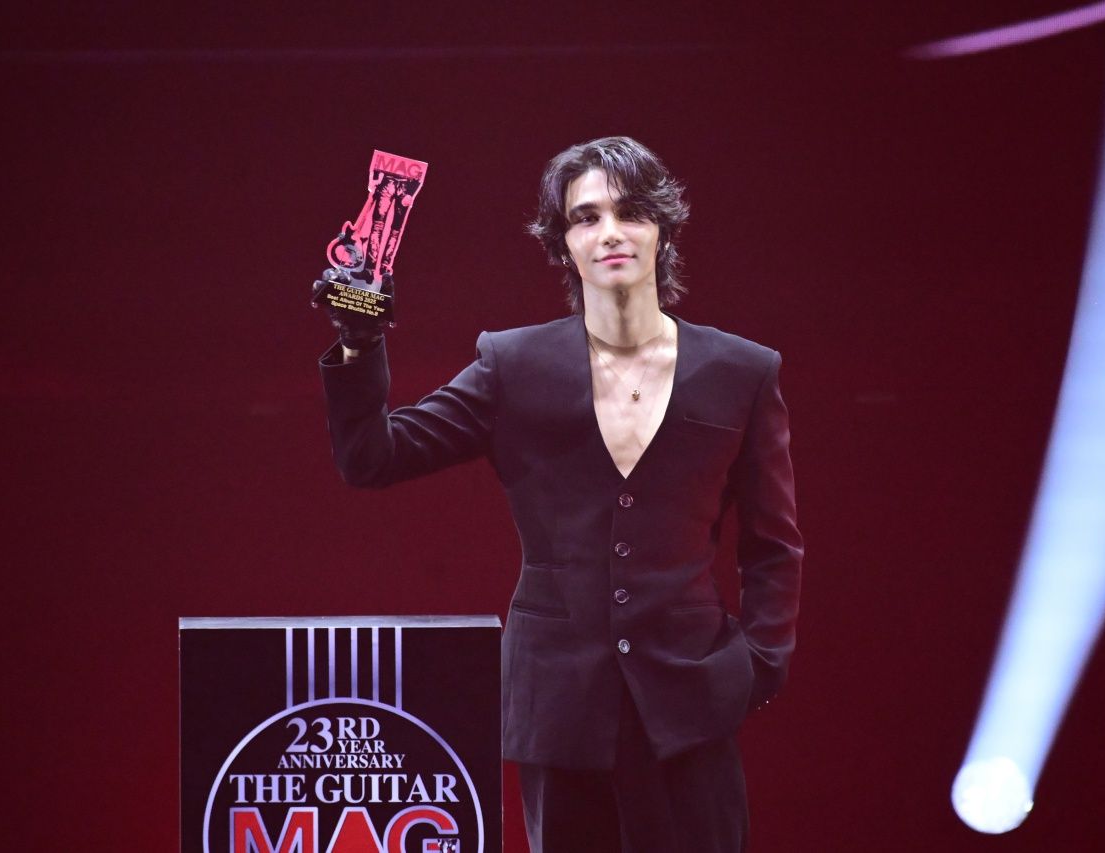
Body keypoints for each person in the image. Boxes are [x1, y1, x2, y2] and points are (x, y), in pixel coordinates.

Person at [318, 136, 802, 853]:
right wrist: (360, 343)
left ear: (662, 228)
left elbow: (773, 544)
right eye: (586, 217)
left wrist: (758, 666)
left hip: (691, 703)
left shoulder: (742, 371)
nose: (610, 232)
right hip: (562, 707)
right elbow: (372, 457)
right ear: (563, 242)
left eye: (630, 212)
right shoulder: (514, 364)